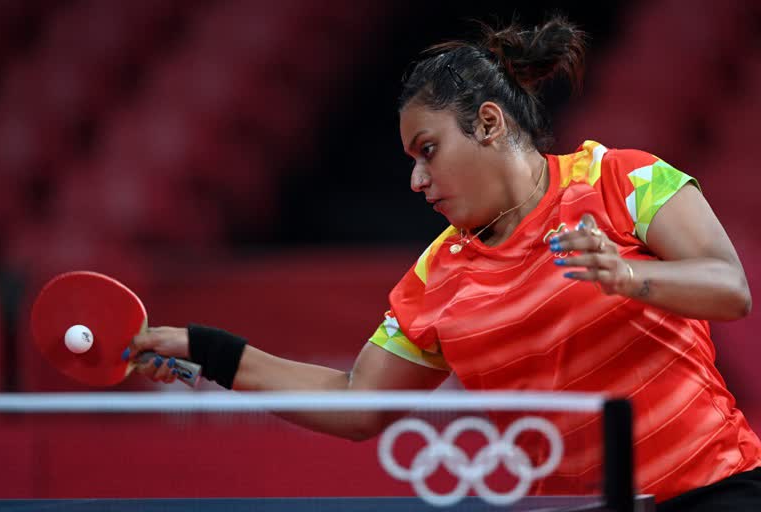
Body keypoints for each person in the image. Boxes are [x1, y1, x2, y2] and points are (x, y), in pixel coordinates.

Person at [125, 15, 760, 511]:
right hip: (571, 509)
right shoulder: (437, 276)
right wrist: (208, 352)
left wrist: (628, 276)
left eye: (427, 151)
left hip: (713, 490)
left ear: (488, 123)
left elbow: (728, 287)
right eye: (410, 159)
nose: (416, 180)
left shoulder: (623, 178)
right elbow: (357, 405)